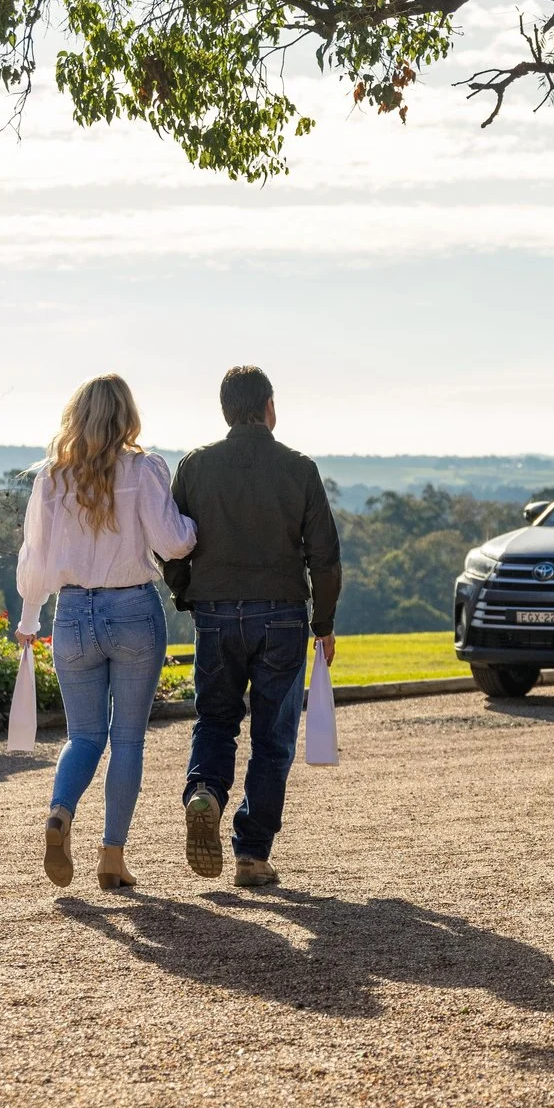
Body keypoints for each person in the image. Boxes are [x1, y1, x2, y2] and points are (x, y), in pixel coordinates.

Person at [163, 366, 340, 887]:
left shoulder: (195, 467)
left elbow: (170, 540)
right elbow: (325, 558)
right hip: (282, 614)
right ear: (269, 407)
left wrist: (185, 590)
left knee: (215, 720)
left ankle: (205, 793)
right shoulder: (299, 468)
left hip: (215, 612)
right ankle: (251, 854)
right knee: (273, 738)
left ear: (224, 410)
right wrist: (323, 622)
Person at [17, 374, 195, 891]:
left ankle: (60, 811)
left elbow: (36, 561)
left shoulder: (51, 479)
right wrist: (196, 528)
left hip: (71, 614)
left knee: (84, 736)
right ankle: (111, 857)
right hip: (133, 609)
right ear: (127, 415)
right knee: (128, 739)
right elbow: (173, 542)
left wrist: (30, 621)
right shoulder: (144, 469)